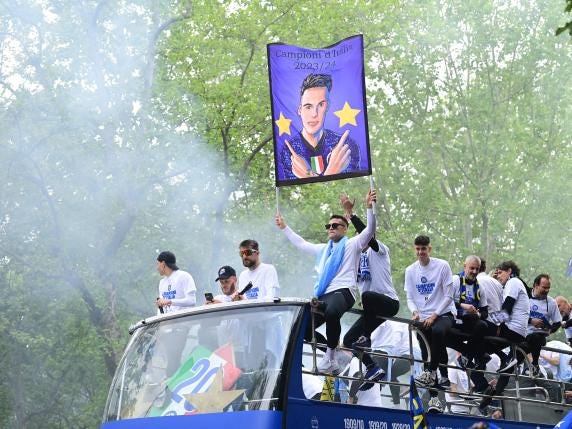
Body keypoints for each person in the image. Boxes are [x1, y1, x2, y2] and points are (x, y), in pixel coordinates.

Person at [275, 188, 376, 374]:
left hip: (344, 291)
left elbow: (370, 231)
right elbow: (301, 243)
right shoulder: (323, 250)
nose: (330, 228)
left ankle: (329, 357)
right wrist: (284, 227)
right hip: (324, 294)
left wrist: (369, 207)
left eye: (335, 225)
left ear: (345, 229)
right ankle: (336, 356)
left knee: (331, 311)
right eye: (328, 226)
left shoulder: (353, 244)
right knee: (303, 329)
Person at [338, 193, 399, 389]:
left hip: (388, 303)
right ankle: (372, 368)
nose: (361, 242)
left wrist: (351, 213)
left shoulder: (379, 250)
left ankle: (366, 338)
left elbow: (368, 234)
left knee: (367, 296)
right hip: (372, 310)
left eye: (363, 238)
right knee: (348, 340)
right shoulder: (355, 260)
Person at [404, 235, 455, 413]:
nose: (420, 252)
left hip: (444, 314)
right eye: (417, 249)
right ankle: (434, 399)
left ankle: (434, 372)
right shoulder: (410, 270)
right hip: (422, 318)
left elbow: (449, 296)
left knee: (438, 333)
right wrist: (415, 311)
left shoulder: (442, 266)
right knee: (427, 354)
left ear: (429, 249)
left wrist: (435, 315)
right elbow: (410, 297)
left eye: (423, 249)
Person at [280, 73, 360, 180]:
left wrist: (308, 174)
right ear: (300, 110)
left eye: (321, 105)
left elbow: (352, 185)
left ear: (327, 106)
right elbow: (302, 192)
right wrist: (330, 172)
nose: (314, 114)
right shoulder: (289, 151)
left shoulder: (347, 146)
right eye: (308, 107)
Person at [477, 260, 530, 414]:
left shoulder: (514, 282)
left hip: (513, 329)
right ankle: (499, 359)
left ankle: (490, 360)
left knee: (481, 326)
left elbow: (506, 311)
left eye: (500, 272)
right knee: (482, 345)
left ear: (509, 270)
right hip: (515, 329)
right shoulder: (511, 284)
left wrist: (486, 319)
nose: (498, 275)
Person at [448, 255, 490, 371]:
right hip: (453, 319)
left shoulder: (480, 286)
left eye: (477, 269)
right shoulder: (455, 280)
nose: (474, 272)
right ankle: (480, 356)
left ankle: (467, 356)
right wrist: (462, 305)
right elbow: (445, 301)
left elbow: (485, 311)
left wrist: (478, 314)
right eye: (472, 268)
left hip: (469, 322)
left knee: (483, 325)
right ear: (465, 266)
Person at [525, 274, 561, 376]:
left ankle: (535, 365)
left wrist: (550, 330)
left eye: (548, 288)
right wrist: (531, 321)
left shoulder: (551, 302)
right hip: (522, 334)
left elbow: (557, 322)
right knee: (516, 357)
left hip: (539, 336)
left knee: (537, 337)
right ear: (536, 285)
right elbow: (516, 315)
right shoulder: (525, 297)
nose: (546, 290)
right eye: (544, 287)